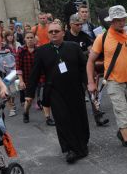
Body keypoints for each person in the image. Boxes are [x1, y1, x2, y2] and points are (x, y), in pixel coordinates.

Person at [86, 5, 127, 162]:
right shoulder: (102, 38)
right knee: (122, 114)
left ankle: (121, 132)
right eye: (117, 20)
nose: (122, 22)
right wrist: (90, 82)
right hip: (114, 82)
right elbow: (90, 61)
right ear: (111, 21)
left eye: (123, 19)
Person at [26, 21, 89, 163]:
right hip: (55, 91)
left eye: (56, 31)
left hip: (75, 89)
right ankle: (70, 149)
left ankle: (82, 143)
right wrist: (29, 94)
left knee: (79, 117)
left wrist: (89, 84)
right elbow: (34, 74)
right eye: (51, 32)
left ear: (63, 32)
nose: (53, 33)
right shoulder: (42, 51)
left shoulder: (73, 47)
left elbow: (83, 68)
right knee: (62, 119)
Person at [16, 31, 52, 124]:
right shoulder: (21, 51)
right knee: (29, 99)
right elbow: (18, 67)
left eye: (31, 37)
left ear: (35, 39)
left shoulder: (39, 50)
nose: (29, 39)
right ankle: (26, 113)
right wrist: (21, 81)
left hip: (40, 76)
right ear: (24, 39)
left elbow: (44, 64)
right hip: (28, 78)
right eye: (27, 38)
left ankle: (48, 118)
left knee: (45, 97)